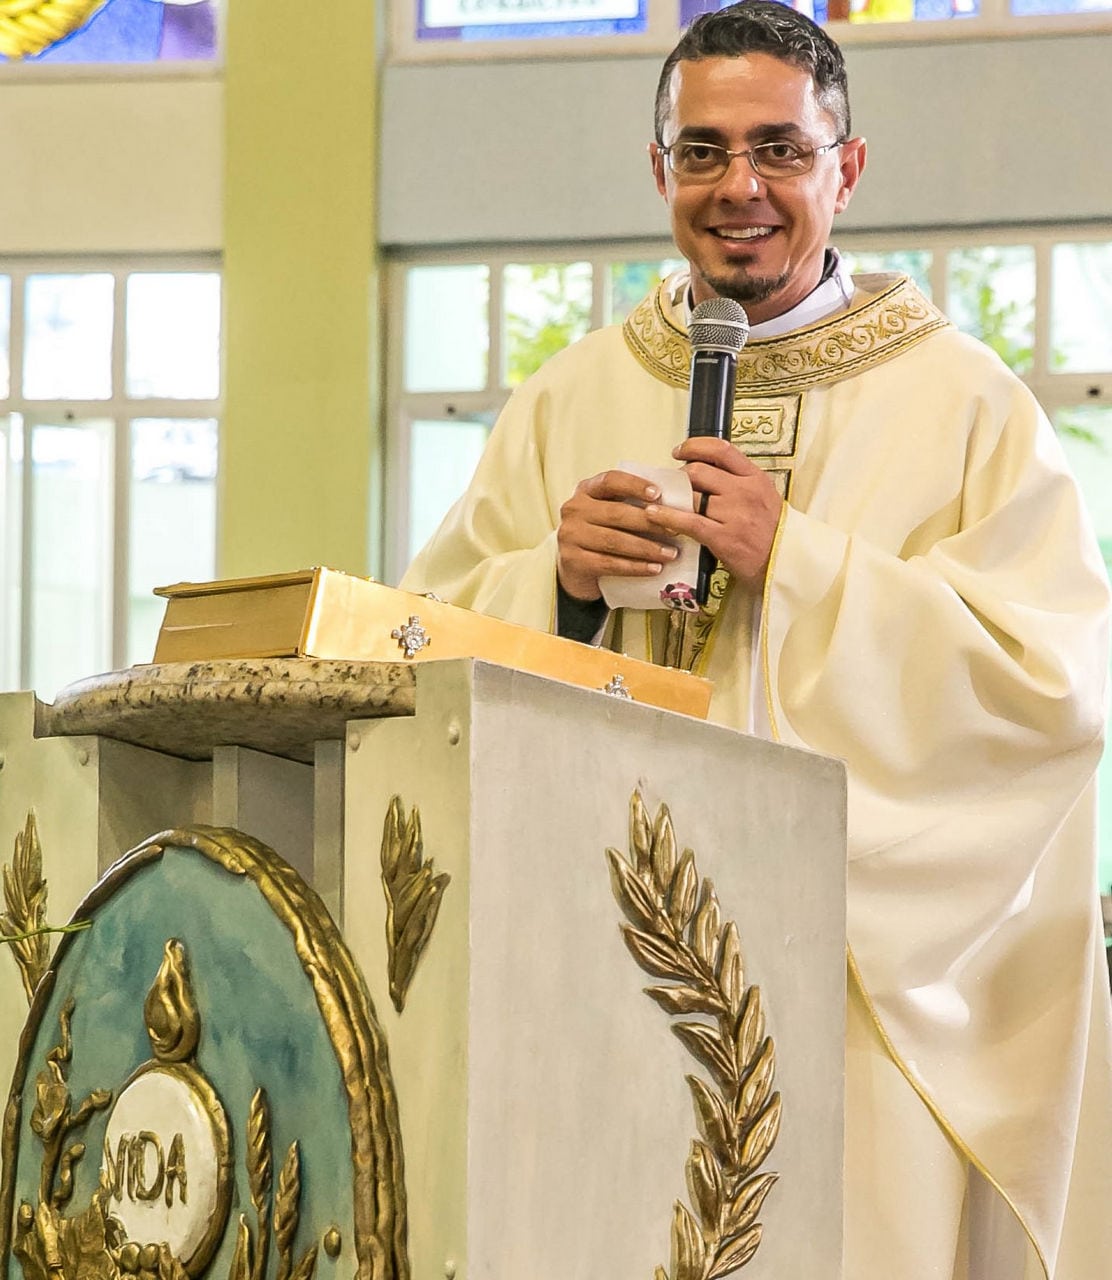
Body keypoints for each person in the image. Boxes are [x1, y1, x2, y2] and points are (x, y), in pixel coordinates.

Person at [401, 3, 1112, 1275]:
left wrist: (802, 564)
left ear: (844, 168)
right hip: (598, 968)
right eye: (702, 151)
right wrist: (554, 583)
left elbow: (1045, 686)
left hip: (855, 1001)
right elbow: (421, 647)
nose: (740, 188)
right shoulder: (570, 393)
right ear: (658, 168)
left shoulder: (964, 406)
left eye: (779, 150)